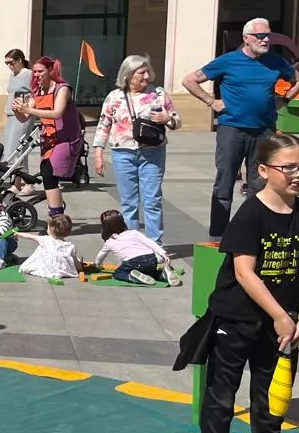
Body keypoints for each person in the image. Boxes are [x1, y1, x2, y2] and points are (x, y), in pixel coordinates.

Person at [198, 132, 299, 433]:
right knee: (224, 386)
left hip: (284, 322)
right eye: (288, 167)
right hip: (237, 317)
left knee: (271, 387)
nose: (298, 174)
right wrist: (280, 315)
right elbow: (244, 272)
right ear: (264, 169)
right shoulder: (250, 214)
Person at [183, 18, 299, 238]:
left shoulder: (276, 62)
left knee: (259, 183)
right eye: (260, 36)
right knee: (225, 180)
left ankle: (253, 231)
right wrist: (212, 102)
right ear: (246, 39)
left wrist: (285, 100)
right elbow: (189, 80)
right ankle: (218, 235)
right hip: (232, 129)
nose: (266, 40)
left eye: (268, 35)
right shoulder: (228, 61)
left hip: (264, 130)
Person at [92, 54, 179, 244]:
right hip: (122, 153)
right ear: (128, 75)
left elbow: (176, 120)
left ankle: (155, 243)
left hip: (152, 152)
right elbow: (103, 125)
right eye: (142, 73)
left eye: (148, 71)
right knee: (128, 202)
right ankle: (132, 244)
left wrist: (167, 119)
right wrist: (98, 153)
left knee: (152, 199)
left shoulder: (159, 94)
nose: (147, 76)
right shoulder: (114, 97)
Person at [11, 56, 81, 218]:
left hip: (66, 139)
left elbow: (57, 113)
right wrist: (18, 110)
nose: (37, 75)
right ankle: (57, 213)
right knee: (46, 174)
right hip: (49, 139)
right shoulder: (36, 92)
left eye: (40, 71)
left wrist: (28, 110)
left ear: (50, 71)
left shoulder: (62, 89)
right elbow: (24, 118)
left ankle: (57, 216)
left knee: (49, 173)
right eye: (34, 72)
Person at [94, 209, 179, 286]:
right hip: (151, 259)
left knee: (118, 273)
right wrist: (163, 254)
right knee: (150, 272)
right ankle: (162, 274)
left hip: (133, 262)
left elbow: (101, 255)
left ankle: (131, 276)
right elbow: (150, 242)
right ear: (123, 222)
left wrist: (97, 265)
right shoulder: (134, 233)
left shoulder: (109, 242)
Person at [17, 214, 81, 281]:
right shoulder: (70, 246)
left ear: (51, 230)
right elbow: (75, 261)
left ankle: (42, 265)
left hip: (46, 269)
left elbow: (30, 236)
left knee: (41, 249)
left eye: (48, 227)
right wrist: (79, 268)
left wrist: (18, 233)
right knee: (69, 257)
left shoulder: (45, 240)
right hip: (63, 271)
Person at [1, 49, 34, 163]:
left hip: (23, 114)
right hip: (11, 114)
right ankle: (16, 177)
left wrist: (29, 108)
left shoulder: (29, 74)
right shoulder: (12, 75)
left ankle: (20, 176)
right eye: (7, 63)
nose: (9, 66)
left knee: (18, 146)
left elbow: (35, 93)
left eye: (11, 62)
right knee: (10, 146)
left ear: (20, 60)